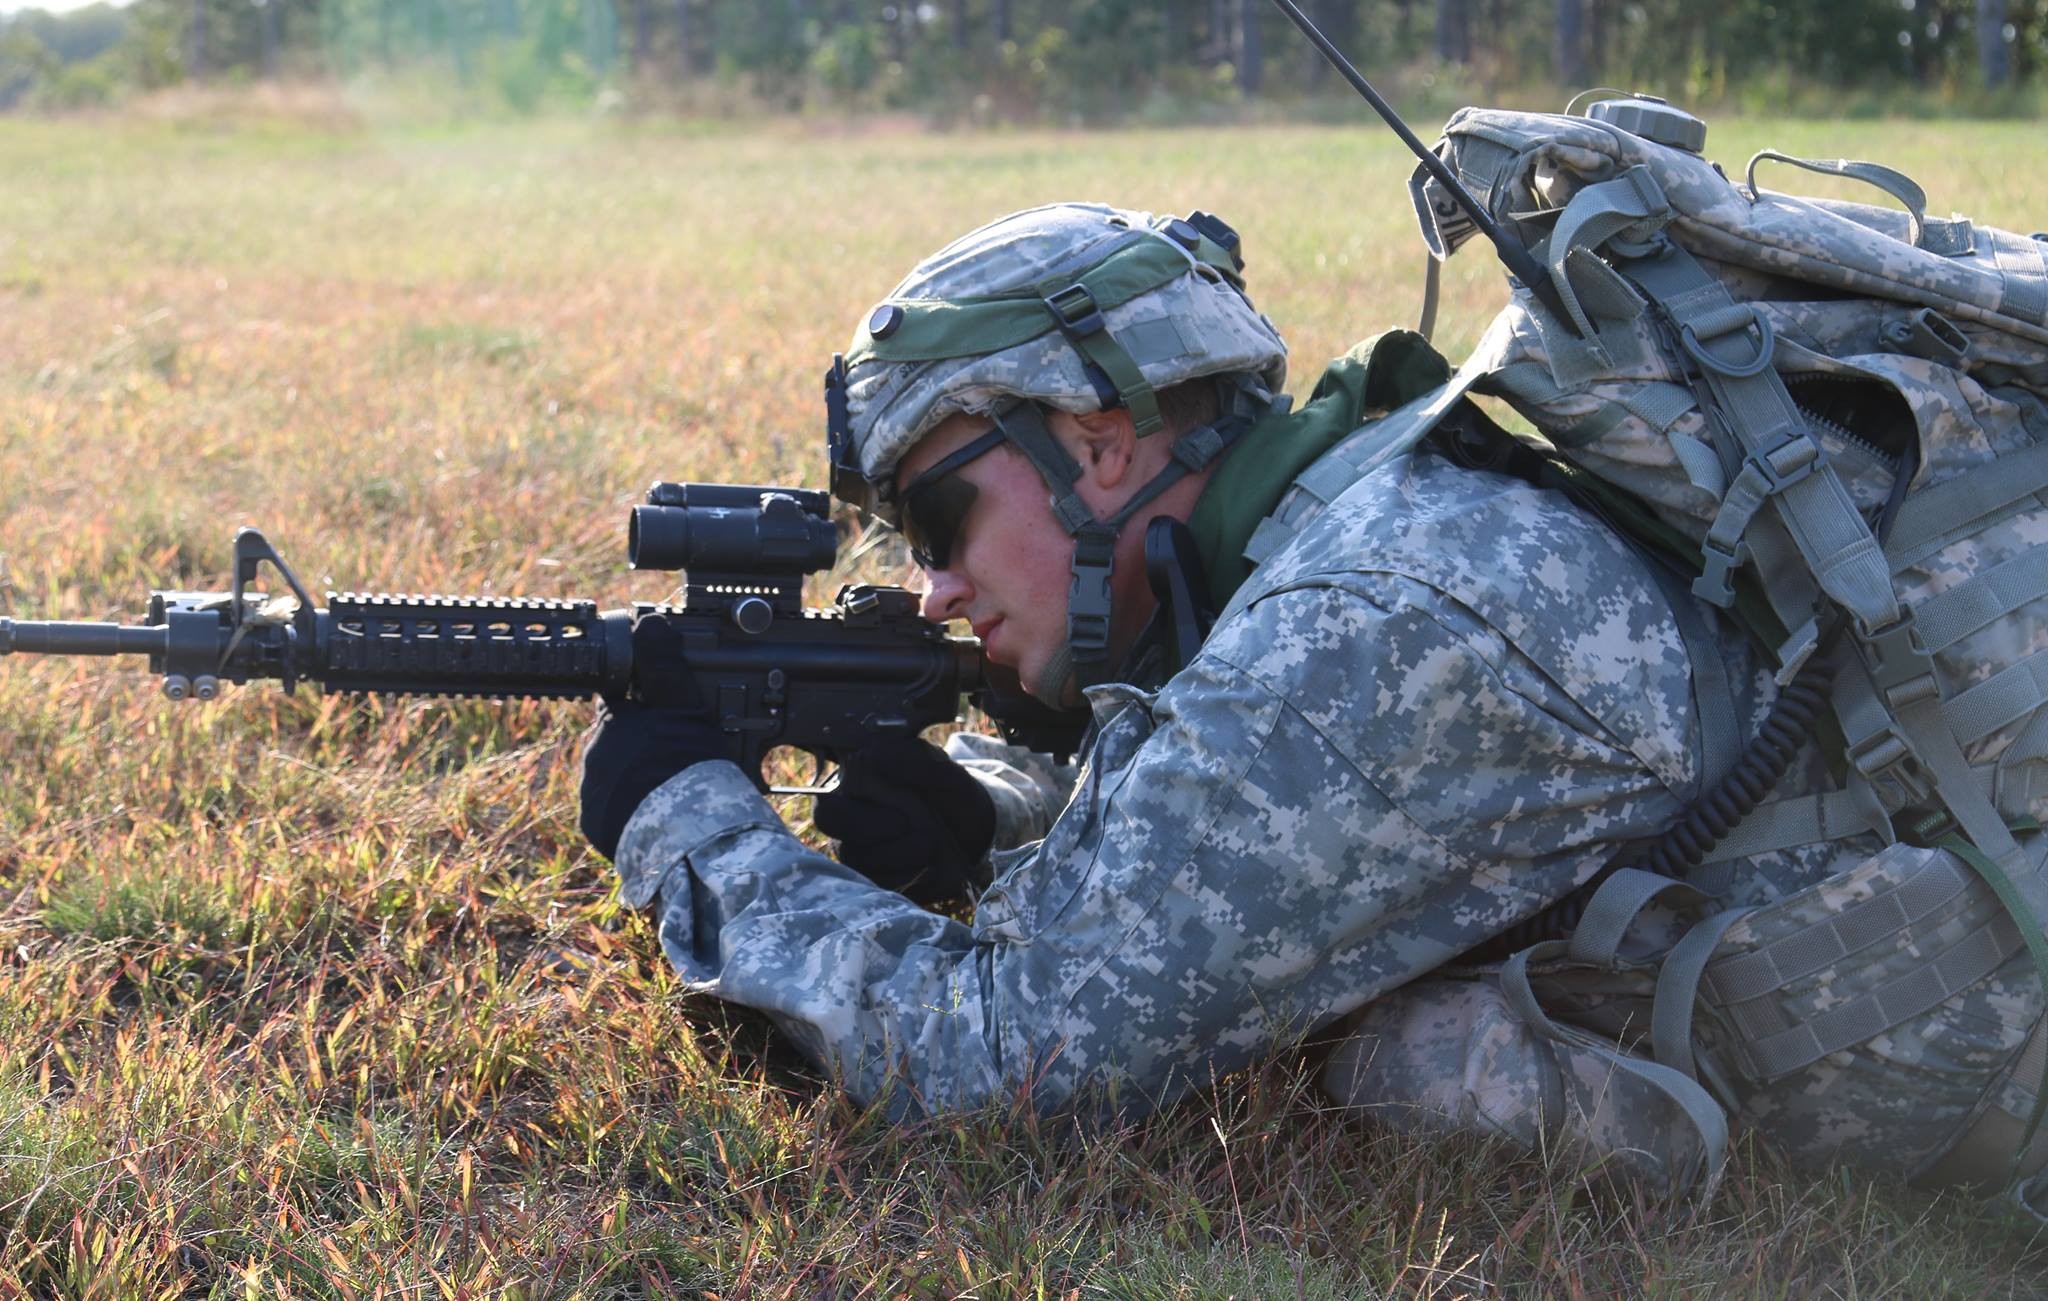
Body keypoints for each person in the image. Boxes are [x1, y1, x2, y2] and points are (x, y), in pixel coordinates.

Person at [576, 202, 1884, 1191]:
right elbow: (1193, 790)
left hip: (1946, 1045)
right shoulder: (1342, 527)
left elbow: (1008, 1061)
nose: (931, 590)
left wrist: (688, 821)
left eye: (936, 520)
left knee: (1382, 1061)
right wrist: (989, 820)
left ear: (1095, 438)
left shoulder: (1358, 624)